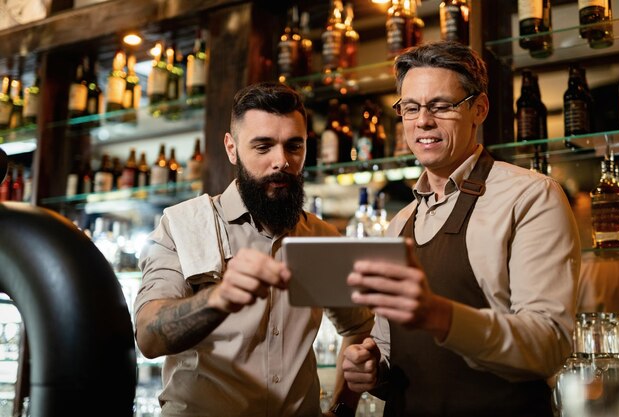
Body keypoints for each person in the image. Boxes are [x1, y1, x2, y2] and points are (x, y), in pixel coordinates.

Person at [341, 41, 581, 416]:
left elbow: (548, 345)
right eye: (411, 107)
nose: (423, 121)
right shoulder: (399, 222)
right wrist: (372, 370)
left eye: (441, 106)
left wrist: (442, 316)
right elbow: (391, 348)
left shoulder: (531, 196)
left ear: (479, 109)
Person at [134, 82, 373, 417]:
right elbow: (148, 336)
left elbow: (359, 329)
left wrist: (344, 409)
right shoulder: (182, 224)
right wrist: (217, 299)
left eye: (294, 146)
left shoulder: (321, 237)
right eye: (263, 147)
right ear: (232, 149)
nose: (282, 162)